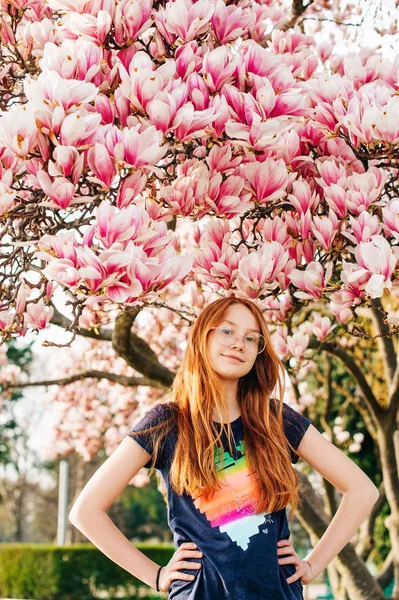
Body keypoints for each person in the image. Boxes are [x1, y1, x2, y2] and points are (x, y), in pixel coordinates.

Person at [69, 296, 379, 599]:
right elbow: (86, 511)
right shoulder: (166, 423)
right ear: (202, 337)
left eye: (250, 338)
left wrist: (314, 564)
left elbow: (363, 491)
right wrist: (156, 574)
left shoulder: (278, 420)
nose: (238, 343)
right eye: (227, 331)